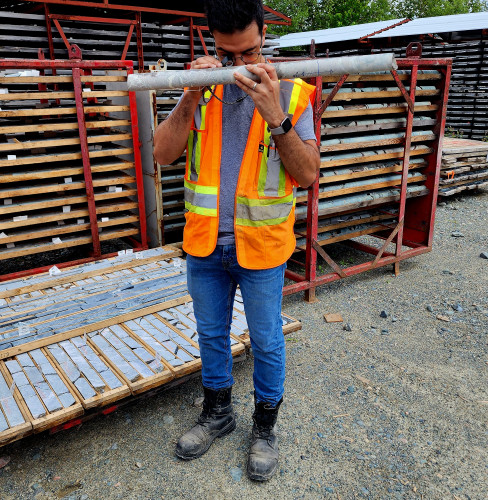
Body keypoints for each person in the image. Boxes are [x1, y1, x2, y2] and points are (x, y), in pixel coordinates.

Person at [153, 0, 320, 481]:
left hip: (262, 246)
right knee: (210, 336)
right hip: (205, 244)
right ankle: (218, 413)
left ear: (263, 35)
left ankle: (265, 428)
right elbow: (163, 153)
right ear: (213, 44)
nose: (238, 66)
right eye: (227, 56)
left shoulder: (291, 94)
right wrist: (189, 95)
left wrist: (275, 117)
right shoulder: (203, 88)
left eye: (247, 53)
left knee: (267, 340)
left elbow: (307, 175)